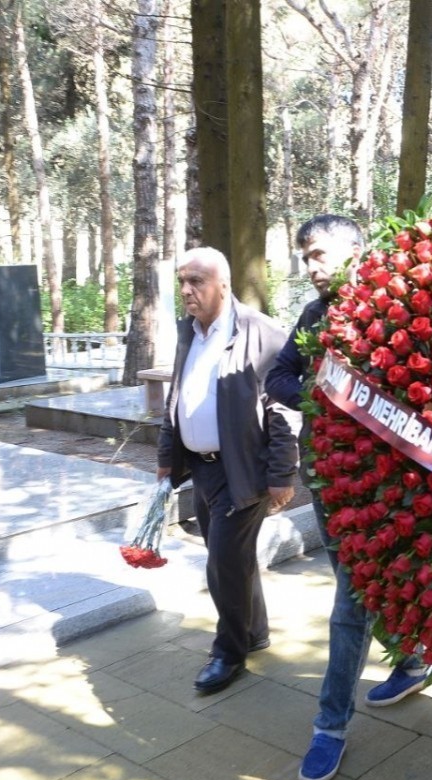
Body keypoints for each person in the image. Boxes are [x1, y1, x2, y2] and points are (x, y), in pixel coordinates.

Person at [266, 215, 430, 780]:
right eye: (305, 258)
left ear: (357, 250)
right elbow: (278, 376)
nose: (310, 267)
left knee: (351, 602)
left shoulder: (395, 311)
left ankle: (330, 726)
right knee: (358, 592)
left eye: (319, 254)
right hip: (326, 480)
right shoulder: (313, 315)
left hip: (381, 487)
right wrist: (321, 396)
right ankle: (412, 660)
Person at [156, 248, 298, 695]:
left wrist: (282, 474)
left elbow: (283, 410)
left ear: (223, 283)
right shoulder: (189, 331)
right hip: (202, 469)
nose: (186, 290)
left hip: (242, 470)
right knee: (234, 559)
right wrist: (166, 456)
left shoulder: (261, 332)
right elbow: (177, 397)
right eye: (182, 281)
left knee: (222, 564)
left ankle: (229, 653)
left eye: (196, 281)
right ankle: (254, 631)